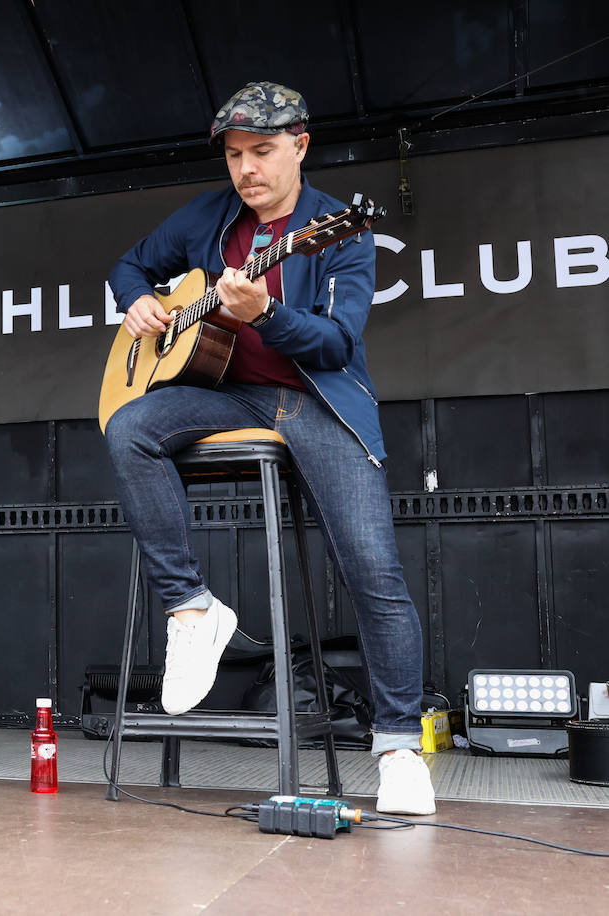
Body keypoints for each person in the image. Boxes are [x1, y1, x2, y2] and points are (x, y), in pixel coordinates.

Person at [104, 81, 435, 815]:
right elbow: (128, 263)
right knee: (129, 427)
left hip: (315, 402)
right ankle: (191, 607)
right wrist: (137, 300)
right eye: (234, 156)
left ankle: (400, 748)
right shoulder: (210, 217)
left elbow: (338, 342)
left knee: (374, 571)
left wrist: (269, 314)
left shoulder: (337, 229)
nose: (246, 169)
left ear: (300, 145)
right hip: (227, 393)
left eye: (262, 151)